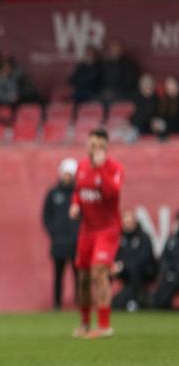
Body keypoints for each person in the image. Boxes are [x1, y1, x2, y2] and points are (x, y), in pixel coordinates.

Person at [69, 128, 123, 338]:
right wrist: (75, 205)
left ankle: (104, 325)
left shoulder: (115, 168)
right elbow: (78, 191)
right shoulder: (81, 166)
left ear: (105, 147)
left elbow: (113, 193)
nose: (92, 149)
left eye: (97, 145)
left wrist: (101, 170)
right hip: (87, 231)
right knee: (82, 276)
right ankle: (84, 323)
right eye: (90, 144)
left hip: (107, 230)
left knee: (99, 271)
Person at [42, 158, 80, 309]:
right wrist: (54, 233)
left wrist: (79, 233)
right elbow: (46, 216)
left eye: (70, 174)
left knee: (78, 275)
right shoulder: (53, 193)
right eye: (66, 174)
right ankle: (57, 303)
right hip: (58, 242)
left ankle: (79, 302)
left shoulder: (79, 193)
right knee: (58, 275)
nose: (67, 177)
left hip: (76, 242)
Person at [112, 209, 157, 311]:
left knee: (135, 274)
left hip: (143, 273)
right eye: (125, 222)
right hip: (124, 273)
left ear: (135, 221)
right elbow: (115, 256)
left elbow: (144, 259)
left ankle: (134, 300)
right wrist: (116, 266)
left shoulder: (143, 237)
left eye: (130, 221)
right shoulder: (119, 238)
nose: (128, 224)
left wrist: (124, 266)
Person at [150, 211, 179, 309]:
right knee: (158, 301)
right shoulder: (172, 240)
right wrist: (168, 273)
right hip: (171, 277)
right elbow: (164, 259)